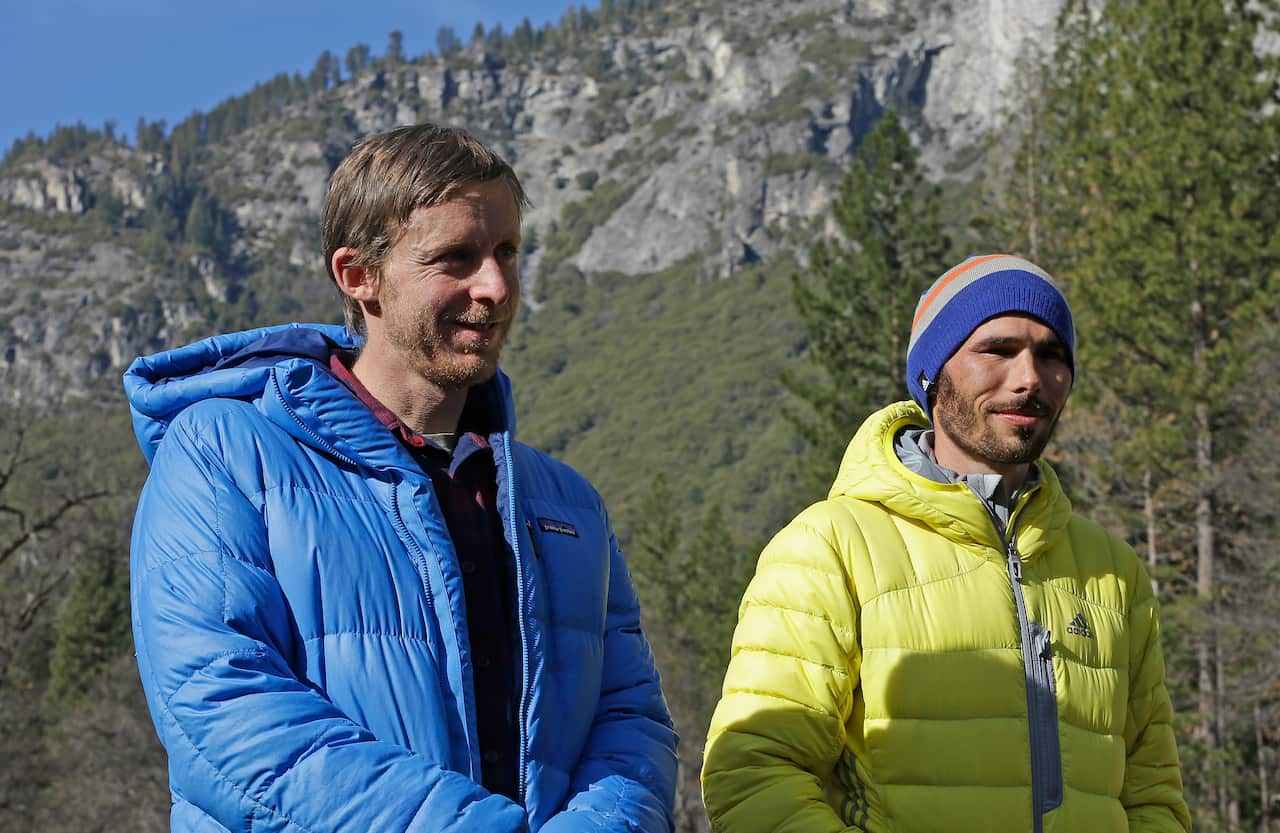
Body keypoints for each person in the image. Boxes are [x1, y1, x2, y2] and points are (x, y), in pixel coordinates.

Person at [124, 123, 677, 833]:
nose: (497, 285)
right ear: (359, 276)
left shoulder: (565, 501)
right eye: (456, 257)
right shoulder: (222, 454)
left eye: (506, 250)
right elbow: (221, 707)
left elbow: (629, 717)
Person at [701, 254, 1190, 833]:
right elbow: (753, 771)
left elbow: (1153, 794)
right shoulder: (830, 546)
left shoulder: (1113, 572)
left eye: (1052, 354)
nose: (1030, 377)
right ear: (934, 375)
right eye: (998, 350)